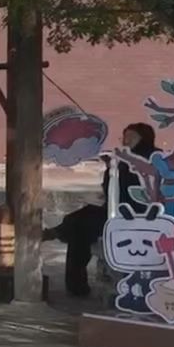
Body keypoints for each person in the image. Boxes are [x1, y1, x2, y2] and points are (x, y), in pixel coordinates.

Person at [44, 122, 157, 298]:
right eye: (124, 137)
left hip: (137, 215)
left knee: (79, 226)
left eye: (131, 137)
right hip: (117, 210)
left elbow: (129, 187)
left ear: (144, 139)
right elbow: (111, 189)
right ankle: (61, 237)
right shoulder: (124, 159)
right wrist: (111, 169)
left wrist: (114, 169)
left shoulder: (148, 159)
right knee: (79, 221)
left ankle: (60, 238)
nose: (126, 141)